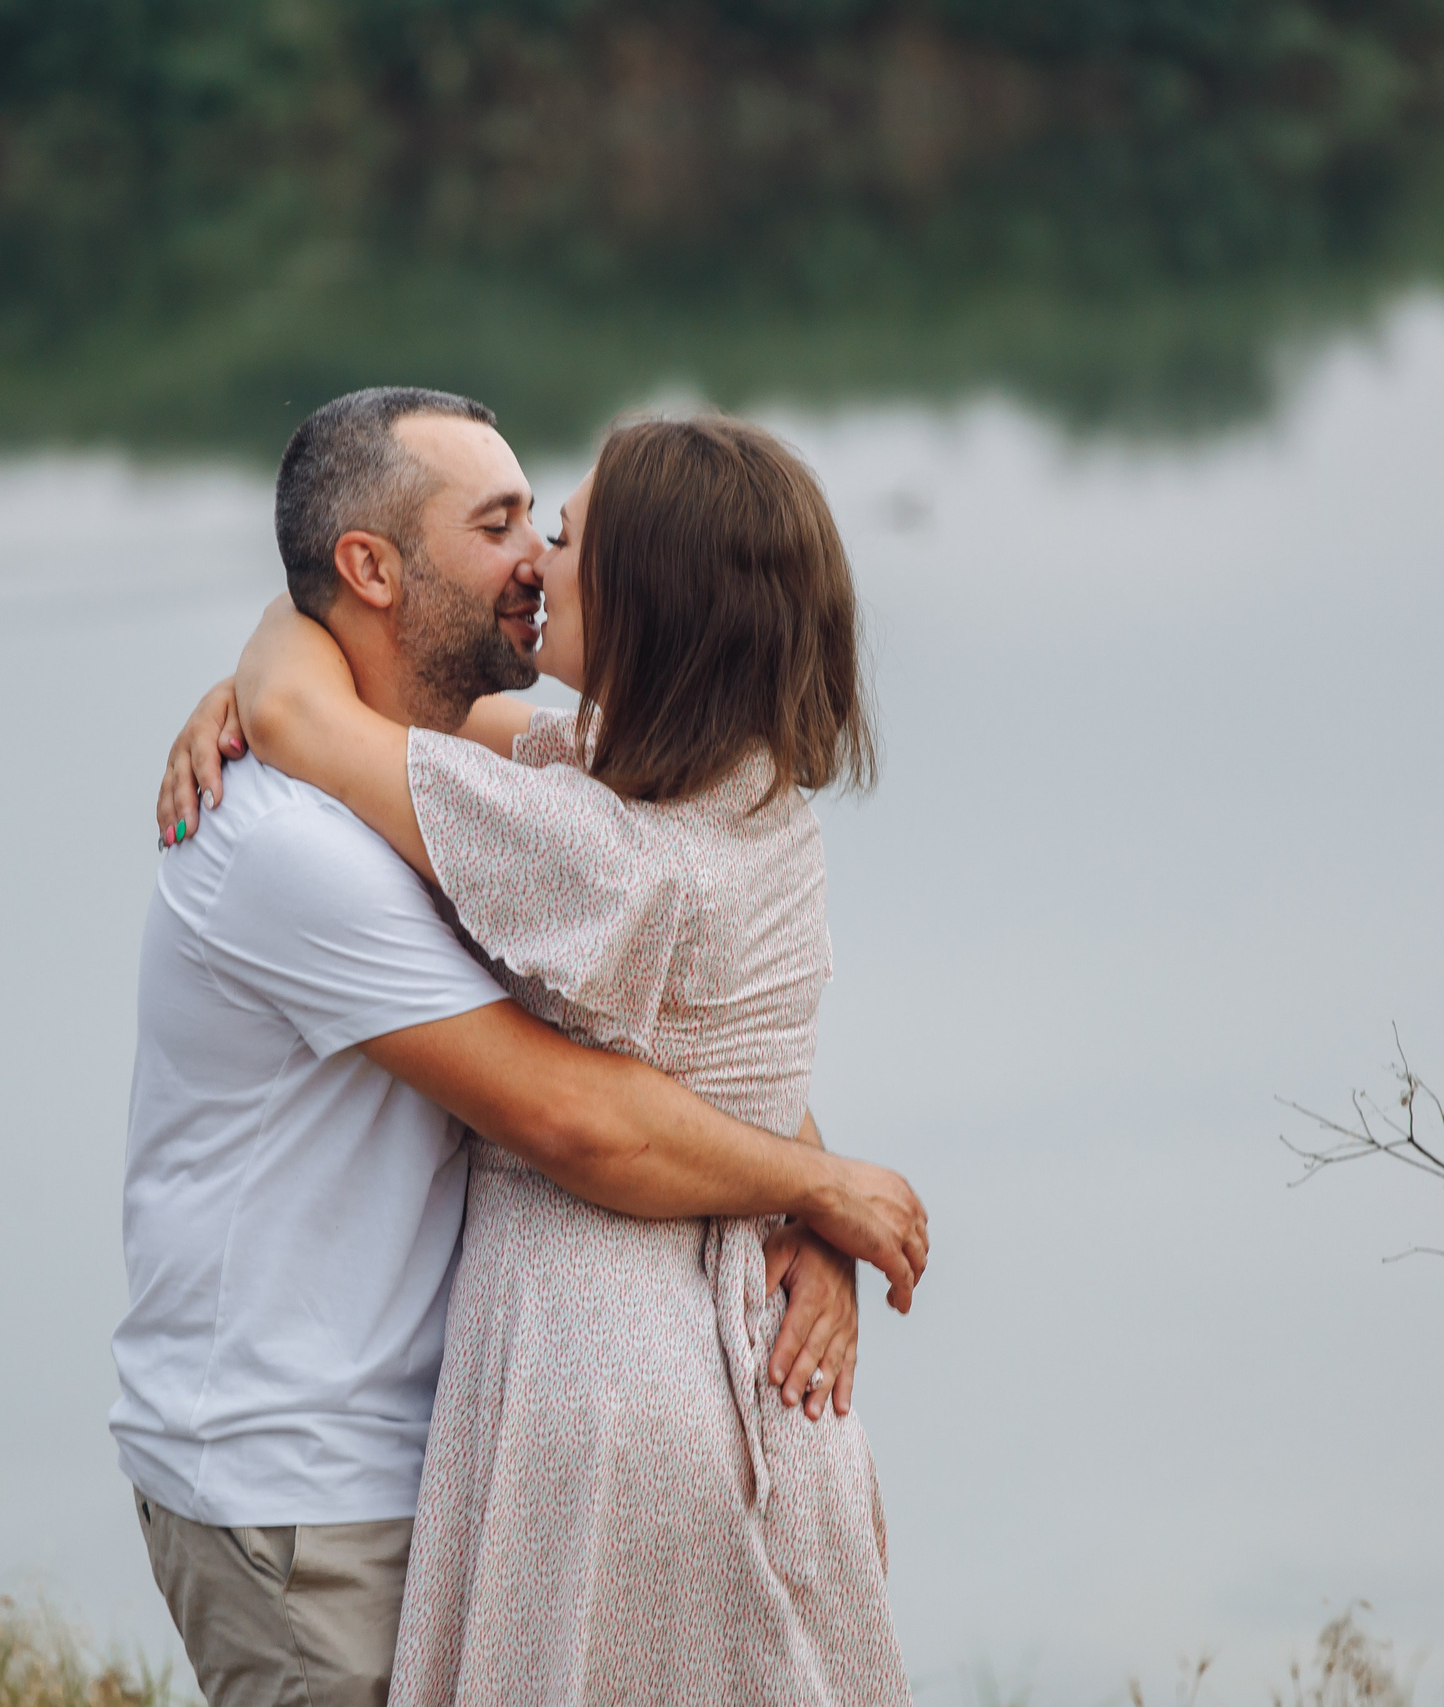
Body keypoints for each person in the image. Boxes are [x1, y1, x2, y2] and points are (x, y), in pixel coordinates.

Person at [113, 386, 928, 1707]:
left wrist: (279, 659)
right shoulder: (711, 793)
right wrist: (813, 1187)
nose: (533, 564)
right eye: (504, 525)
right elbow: (593, 1106)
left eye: (552, 534)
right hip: (314, 1476)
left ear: (656, 609)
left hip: (571, 1411)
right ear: (372, 568)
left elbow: (634, 1091)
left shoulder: (572, 819)